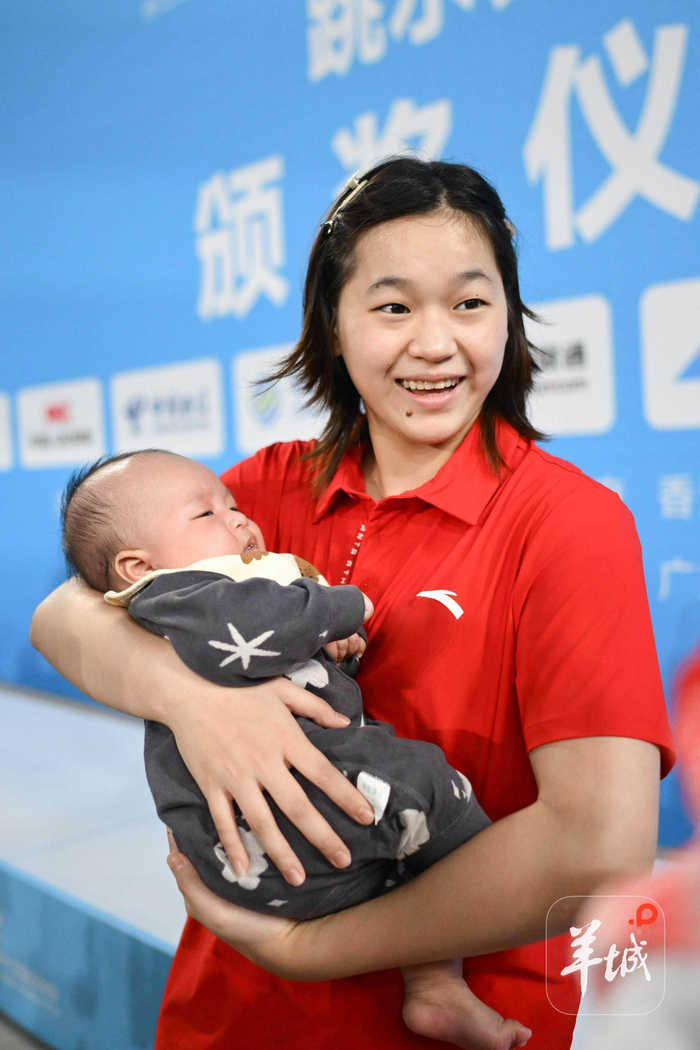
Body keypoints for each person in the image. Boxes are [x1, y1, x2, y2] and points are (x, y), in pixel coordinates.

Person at [31, 157, 676, 1050]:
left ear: (509, 318)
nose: (435, 342)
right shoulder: (262, 492)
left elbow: (599, 847)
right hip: (228, 1011)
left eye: (470, 303)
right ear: (333, 327)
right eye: (392, 306)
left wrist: (313, 948)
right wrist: (193, 701)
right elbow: (64, 613)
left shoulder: (569, 522)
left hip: (455, 1009)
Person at [60, 448, 531, 1048]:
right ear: (136, 565)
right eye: (205, 515)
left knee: (403, 865)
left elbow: (254, 645)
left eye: (232, 506)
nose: (237, 519)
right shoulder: (183, 594)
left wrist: (315, 648)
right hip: (286, 818)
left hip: (256, 857)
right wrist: (340, 608)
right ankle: (438, 970)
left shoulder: (191, 601)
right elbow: (259, 626)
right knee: (432, 789)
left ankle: (433, 984)